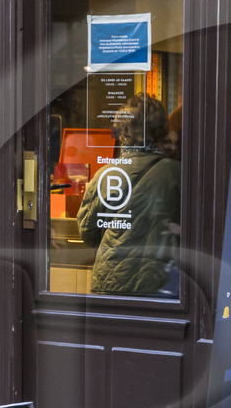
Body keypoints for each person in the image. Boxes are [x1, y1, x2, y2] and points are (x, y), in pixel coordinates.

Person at [77, 94, 182, 297]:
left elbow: (87, 231)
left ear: (122, 131)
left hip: (109, 284)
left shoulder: (105, 174)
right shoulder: (177, 174)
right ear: (161, 129)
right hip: (158, 283)